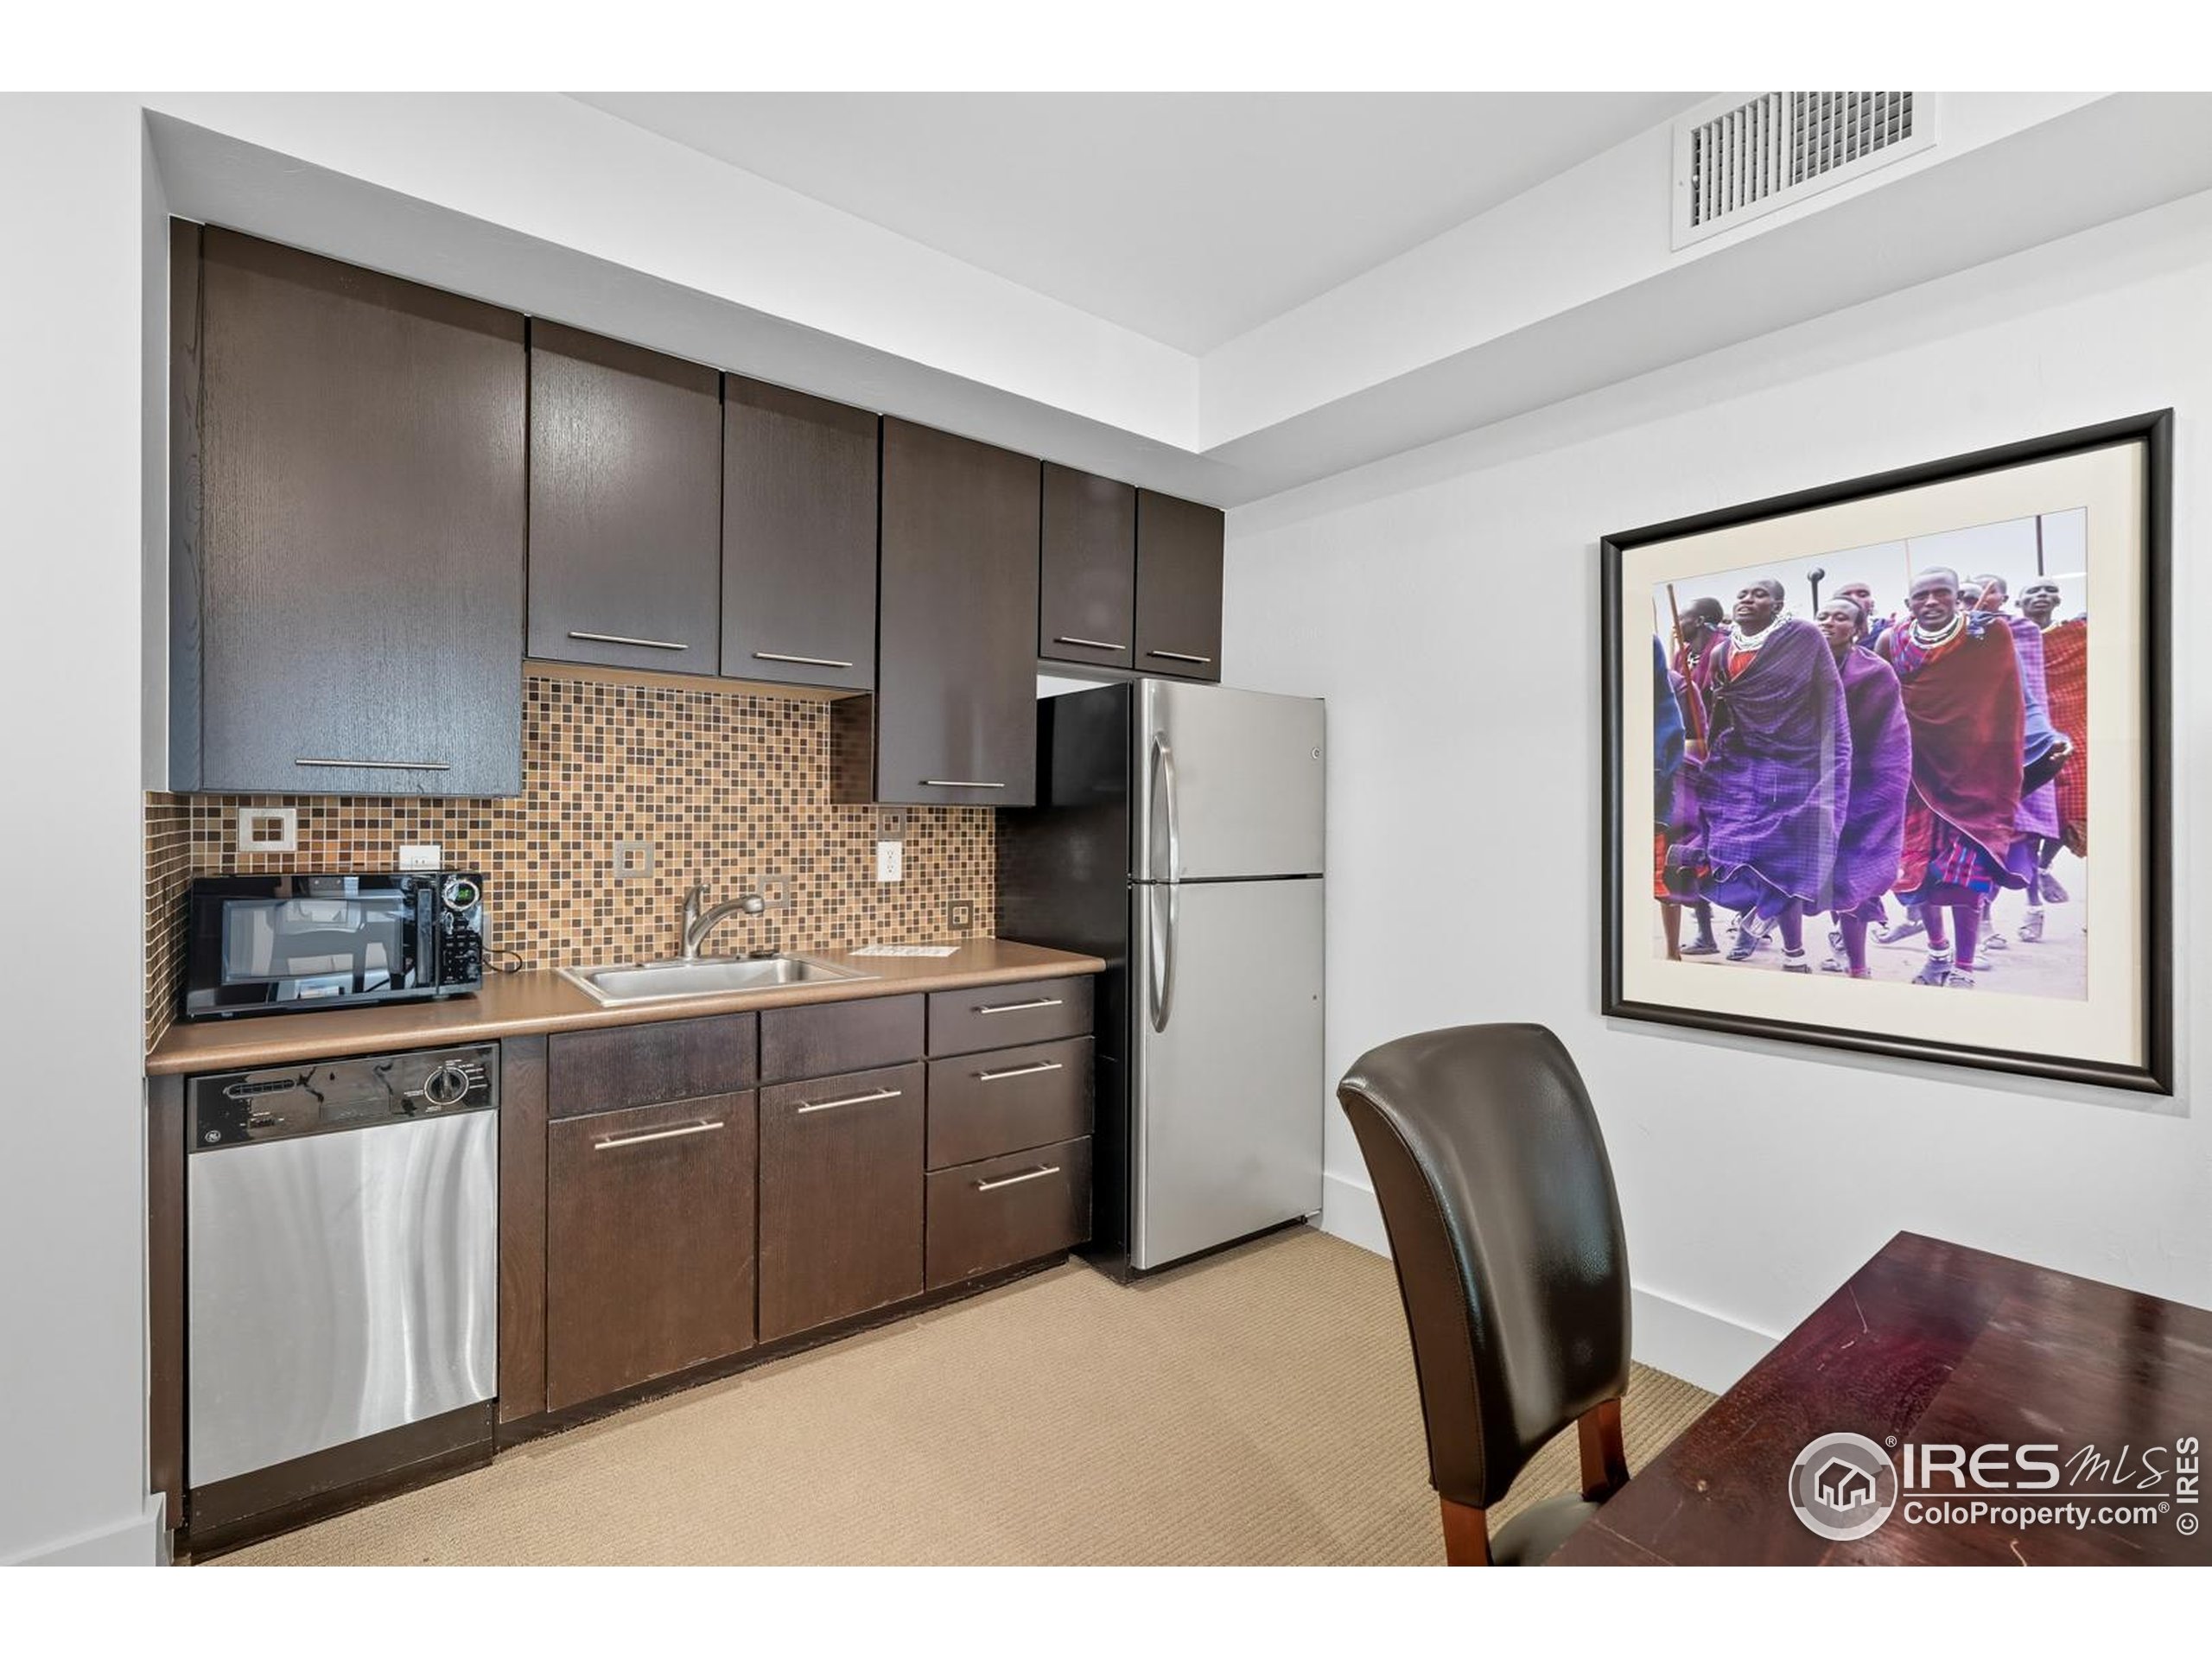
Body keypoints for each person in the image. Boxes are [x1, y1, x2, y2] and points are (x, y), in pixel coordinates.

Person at [1670, 578, 1851, 973]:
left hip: (1798, 764)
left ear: (1778, 604)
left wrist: (1832, 765)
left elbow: (1829, 700)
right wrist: (1710, 762)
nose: (1748, 599)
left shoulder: (1803, 637)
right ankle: (1759, 914)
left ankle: (1788, 945)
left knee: (1789, 858)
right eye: (1742, 594)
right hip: (1744, 765)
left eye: (1760, 594)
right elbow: (1723, 712)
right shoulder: (1721, 652)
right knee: (1728, 848)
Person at [1874, 566, 2027, 988]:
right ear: (1908, 604)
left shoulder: (1987, 634)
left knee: (1963, 877)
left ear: (1959, 597)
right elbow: (1885, 702)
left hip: (1974, 774)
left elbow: (2004, 700)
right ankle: (1937, 952)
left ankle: (1963, 966)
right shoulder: (1894, 641)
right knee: (1919, 871)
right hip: (1915, 775)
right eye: (1921, 596)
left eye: (1941, 594)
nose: (1931, 602)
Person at [1970, 573, 2072, 948]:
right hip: (1977, 753)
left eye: (1989, 589)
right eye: (1968, 592)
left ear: (2004, 597)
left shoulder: (2019, 635)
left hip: (2030, 742)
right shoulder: (1956, 637)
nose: (1978, 598)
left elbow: (2033, 697)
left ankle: (2034, 904)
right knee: (1983, 842)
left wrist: (2046, 740)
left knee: (2024, 838)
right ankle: (1982, 920)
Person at [1812, 597, 1910, 978]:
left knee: (1854, 878)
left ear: (1859, 629)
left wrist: (1882, 796)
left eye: (1841, 618)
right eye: (1822, 616)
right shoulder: (1799, 667)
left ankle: (1858, 967)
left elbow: (1891, 740)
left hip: (1863, 789)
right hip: (1811, 791)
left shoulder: (1876, 673)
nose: (1829, 623)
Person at [2022, 578, 2088, 919]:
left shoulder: (2075, 635)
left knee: (2072, 803)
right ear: (2018, 603)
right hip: (2025, 732)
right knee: (2031, 818)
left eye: (2048, 590)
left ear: (2058, 600)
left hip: (2066, 724)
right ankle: (2032, 902)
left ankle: (2045, 867)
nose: (2042, 596)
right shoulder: (2010, 635)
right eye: (2032, 592)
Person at [1668, 596, 1726, 954]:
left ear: (1701, 620)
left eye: (1683, 617)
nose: (1677, 624)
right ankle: (1705, 933)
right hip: (1690, 759)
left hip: (1723, 753)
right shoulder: (1680, 657)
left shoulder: (1725, 650)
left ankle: (1755, 921)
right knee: (1690, 837)